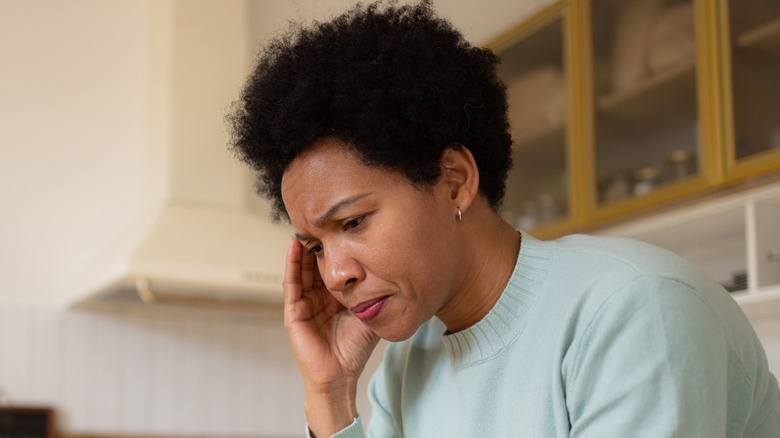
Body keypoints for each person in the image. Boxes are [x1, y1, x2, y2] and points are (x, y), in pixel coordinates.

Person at [228, 2, 780, 437]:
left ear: (454, 180)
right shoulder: (404, 370)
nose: (334, 275)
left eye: (352, 223)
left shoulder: (633, 309)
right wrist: (329, 394)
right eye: (316, 246)